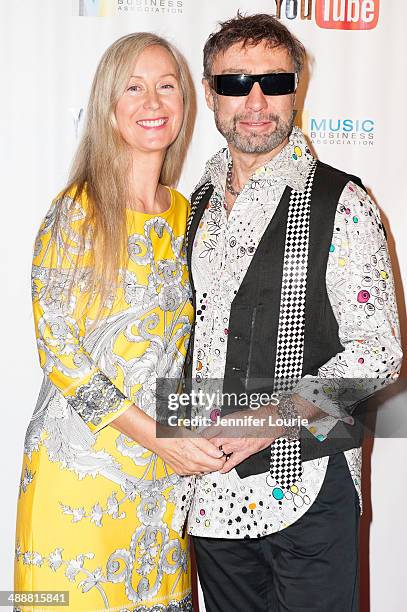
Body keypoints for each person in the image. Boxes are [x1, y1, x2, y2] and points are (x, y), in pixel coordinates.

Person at [180, 13, 402, 612]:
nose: (255, 100)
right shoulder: (189, 207)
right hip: (208, 489)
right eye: (234, 82)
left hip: (311, 476)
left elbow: (379, 355)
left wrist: (263, 422)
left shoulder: (343, 200)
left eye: (274, 82)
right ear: (209, 92)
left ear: (296, 88)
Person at [14, 32, 226, 612]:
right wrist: (159, 438)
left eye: (166, 87)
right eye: (133, 88)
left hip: (163, 483)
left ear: (185, 105)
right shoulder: (76, 210)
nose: (152, 103)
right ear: (108, 105)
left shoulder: (189, 213)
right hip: (79, 475)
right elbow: (58, 351)